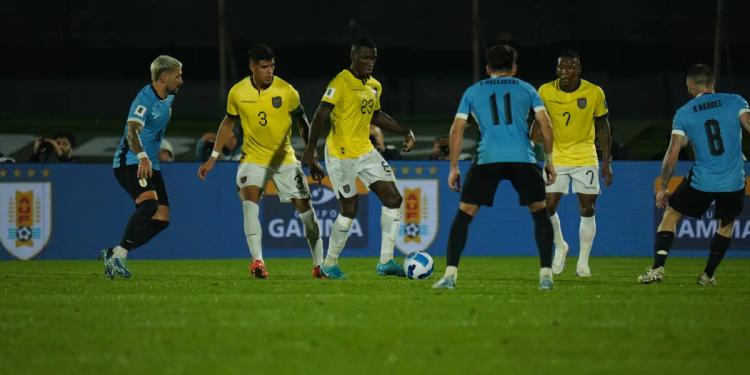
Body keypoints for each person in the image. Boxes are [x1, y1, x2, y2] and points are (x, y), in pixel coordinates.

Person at [431, 44, 557, 290]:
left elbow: (456, 129)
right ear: (514, 68)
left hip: (488, 157)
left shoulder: (473, 91)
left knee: (465, 214)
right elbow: (546, 125)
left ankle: (449, 275)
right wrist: (549, 160)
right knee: (539, 212)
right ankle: (546, 276)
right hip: (523, 157)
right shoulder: (526, 88)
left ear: (488, 68)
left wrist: (453, 167)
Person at [197, 44, 326, 279]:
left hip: (284, 159)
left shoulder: (287, 91)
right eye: (264, 67)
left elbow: (302, 122)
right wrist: (213, 157)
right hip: (253, 158)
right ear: (252, 67)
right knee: (249, 202)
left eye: (272, 66)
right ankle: (258, 262)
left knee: (307, 214)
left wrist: (312, 156)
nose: (269, 71)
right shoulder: (238, 92)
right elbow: (228, 123)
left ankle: (319, 266)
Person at [302, 36, 416, 279]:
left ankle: (386, 262)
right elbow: (321, 114)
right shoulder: (340, 82)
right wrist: (310, 152)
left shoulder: (374, 85)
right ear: (353, 57)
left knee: (394, 198)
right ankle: (329, 264)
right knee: (349, 208)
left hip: (365, 150)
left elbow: (376, 116)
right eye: (365, 57)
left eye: (373, 57)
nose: (370, 61)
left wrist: (405, 130)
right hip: (341, 153)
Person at [638, 64, 750, 286]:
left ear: (690, 86)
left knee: (671, 214)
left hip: (702, 180)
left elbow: (672, 154)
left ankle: (657, 269)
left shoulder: (685, 112)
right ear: (712, 83)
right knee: (726, 225)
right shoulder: (736, 101)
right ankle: (707, 275)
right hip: (733, 180)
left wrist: (663, 187)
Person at [99, 55, 183, 279]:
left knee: (162, 218)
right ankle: (119, 257)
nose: (181, 80)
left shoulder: (168, 97)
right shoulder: (144, 100)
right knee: (148, 205)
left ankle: (115, 252)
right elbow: (132, 132)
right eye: (178, 76)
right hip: (131, 162)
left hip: (150, 165)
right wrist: (143, 156)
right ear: (163, 77)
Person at [535, 51, 612, 277]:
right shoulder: (545, 90)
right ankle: (560, 245)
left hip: (585, 156)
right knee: (547, 207)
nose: (565, 72)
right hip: (555, 156)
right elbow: (538, 122)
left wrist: (607, 161)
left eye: (570, 68)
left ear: (579, 69)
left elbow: (603, 126)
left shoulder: (594, 92)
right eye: (561, 68)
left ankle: (583, 262)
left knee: (587, 207)